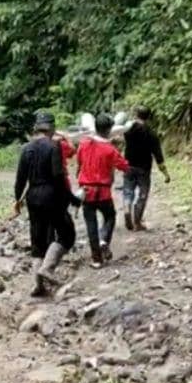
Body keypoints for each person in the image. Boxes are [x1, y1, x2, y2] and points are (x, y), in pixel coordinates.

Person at [14, 112, 76, 296]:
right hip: (51, 195)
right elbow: (58, 177)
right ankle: (47, 268)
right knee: (67, 234)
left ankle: (38, 285)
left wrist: (17, 200)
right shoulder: (54, 146)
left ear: (36, 128)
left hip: (32, 197)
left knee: (37, 239)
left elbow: (20, 180)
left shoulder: (26, 149)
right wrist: (70, 198)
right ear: (52, 128)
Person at [76, 114, 129, 268]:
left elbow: (79, 162)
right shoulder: (110, 149)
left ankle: (96, 259)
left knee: (90, 224)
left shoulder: (84, 144)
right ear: (109, 130)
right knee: (110, 216)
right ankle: (104, 239)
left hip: (86, 191)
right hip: (104, 192)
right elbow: (124, 166)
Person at [123, 106, 170, 231]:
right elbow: (158, 157)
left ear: (136, 115)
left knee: (128, 191)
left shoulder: (128, 131)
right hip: (144, 168)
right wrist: (166, 174)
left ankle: (127, 208)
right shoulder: (151, 134)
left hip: (128, 165)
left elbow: (117, 138)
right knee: (142, 195)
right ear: (148, 117)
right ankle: (137, 222)